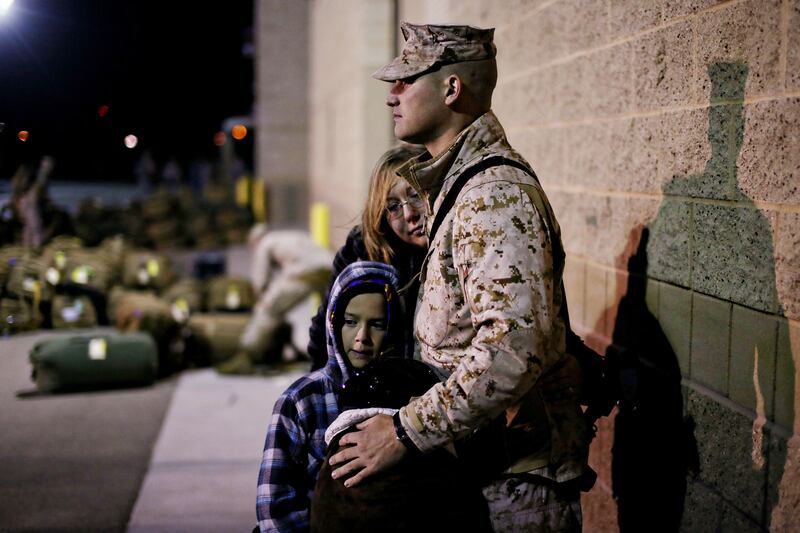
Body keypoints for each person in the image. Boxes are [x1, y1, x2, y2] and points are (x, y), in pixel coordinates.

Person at [328, 22, 592, 532]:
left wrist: (404, 432)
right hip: (485, 474)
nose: (392, 96)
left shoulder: (492, 194)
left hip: (516, 488)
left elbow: (513, 348)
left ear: (452, 89)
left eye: (407, 81)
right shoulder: (460, 188)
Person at [255, 261, 405, 532]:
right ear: (333, 322)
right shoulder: (299, 401)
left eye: (378, 324)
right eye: (350, 322)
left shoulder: (411, 399)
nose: (362, 337)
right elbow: (274, 507)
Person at [306, 144, 427, 370]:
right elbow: (325, 327)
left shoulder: (455, 247)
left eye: (416, 195)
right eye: (393, 206)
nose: (410, 214)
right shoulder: (362, 252)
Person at [217, 224, 334, 375]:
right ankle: (325, 355)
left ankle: (247, 355)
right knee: (327, 314)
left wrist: (259, 298)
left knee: (269, 309)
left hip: (304, 273)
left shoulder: (265, 243)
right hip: (328, 270)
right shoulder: (288, 236)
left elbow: (260, 278)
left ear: (254, 240)